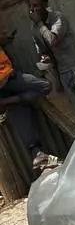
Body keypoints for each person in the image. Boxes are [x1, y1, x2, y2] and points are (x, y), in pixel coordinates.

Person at [0, 27, 56, 173]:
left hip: (10, 78)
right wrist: (21, 98)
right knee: (43, 87)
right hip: (6, 83)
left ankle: (39, 156)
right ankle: (38, 155)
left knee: (21, 108)